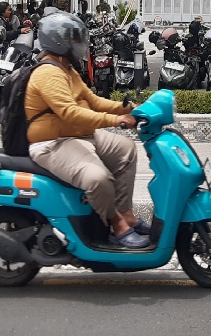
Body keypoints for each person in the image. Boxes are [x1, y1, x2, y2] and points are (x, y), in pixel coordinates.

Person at [25, 13, 151, 249]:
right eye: (74, 40)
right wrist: (116, 121)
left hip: (76, 135)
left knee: (125, 149)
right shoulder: (47, 73)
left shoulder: (66, 69)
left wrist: (130, 109)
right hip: (53, 143)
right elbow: (70, 113)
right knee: (98, 177)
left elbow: (92, 101)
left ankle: (127, 214)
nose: (80, 45)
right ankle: (117, 226)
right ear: (59, 42)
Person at [0, 2, 32, 109]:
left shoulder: (0, 20)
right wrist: (18, 31)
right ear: (2, 11)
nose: (10, 12)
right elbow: (3, 36)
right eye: (8, 10)